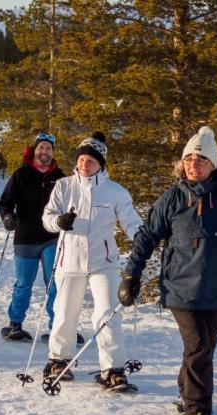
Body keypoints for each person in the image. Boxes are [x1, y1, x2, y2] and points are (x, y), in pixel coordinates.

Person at [118, 126, 217, 415]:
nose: (192, 165)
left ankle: (187, 391)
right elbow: (147, 236)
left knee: (203, 348)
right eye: (188, 159)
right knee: (199, 346)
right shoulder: (172, 199)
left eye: (199, 160)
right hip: (180, 288)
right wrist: (132, 273)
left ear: (213, 165)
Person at [41, 131, 142, 391]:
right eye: (82, 160)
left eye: (92, 161)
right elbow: (48, 217)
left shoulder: (115, 192)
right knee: (64, 312)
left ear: (101, 165)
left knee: (107, 313)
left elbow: (131, 221)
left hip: (103, 261)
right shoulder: (64, 186)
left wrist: (142, 237)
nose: (85, 165)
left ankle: (113, 369)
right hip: (69, 261)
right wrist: (58, 222)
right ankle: (58, 360)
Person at [0, 132, 73, 342]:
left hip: (52, 238)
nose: (44, 152)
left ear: (53, 152)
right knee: (24, 283)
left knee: (54, 283)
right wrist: (7, 217)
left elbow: (70, 205)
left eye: (48, 148)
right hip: (25, 237)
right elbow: (5, 203)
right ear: (35, 150)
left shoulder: (60, 177)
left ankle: (56, 326)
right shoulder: (21, 174)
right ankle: (15, 324)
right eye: (41, 148)